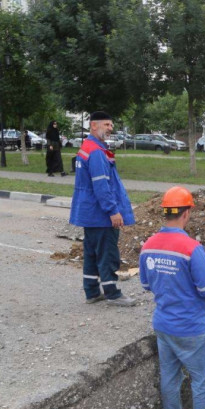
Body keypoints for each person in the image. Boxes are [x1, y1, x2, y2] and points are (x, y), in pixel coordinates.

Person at [139, 186, 205, 409]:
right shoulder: (192, 248)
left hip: (164, 326)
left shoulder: (149, 246)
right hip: (190, 329)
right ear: (186, 213)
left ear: (166, 213)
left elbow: (146, 284)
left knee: (170, 381)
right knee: (203, 382)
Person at [70, 111, 136, 306]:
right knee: (108, 254)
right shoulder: (97, 152)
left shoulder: (88, 147)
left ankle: (91, 292)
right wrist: (113, 211)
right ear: (94, 126)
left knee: (91, 253)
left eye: (111, 125)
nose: (110, 128)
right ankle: (112, 294)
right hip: (100, 215)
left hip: (90, 213)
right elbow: (102, 186)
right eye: (107, 124)